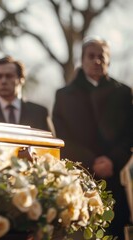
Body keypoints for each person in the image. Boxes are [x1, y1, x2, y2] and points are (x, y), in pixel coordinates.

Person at [53, 36, 132, 238]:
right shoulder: (64, 95)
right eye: (91, 56)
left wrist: (112, 161)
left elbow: (129, 135)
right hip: (78, 181)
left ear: (108, 61)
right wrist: (90, 162)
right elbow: (61, 137)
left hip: (113, 177)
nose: (97, 61)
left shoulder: (124, 93)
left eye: (101, 56)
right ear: (82, 59)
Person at [0, 56, 50, 131]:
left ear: (21, 79)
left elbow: (53, 143)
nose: (3, 81)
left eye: (9, 76)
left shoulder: (39, 113)